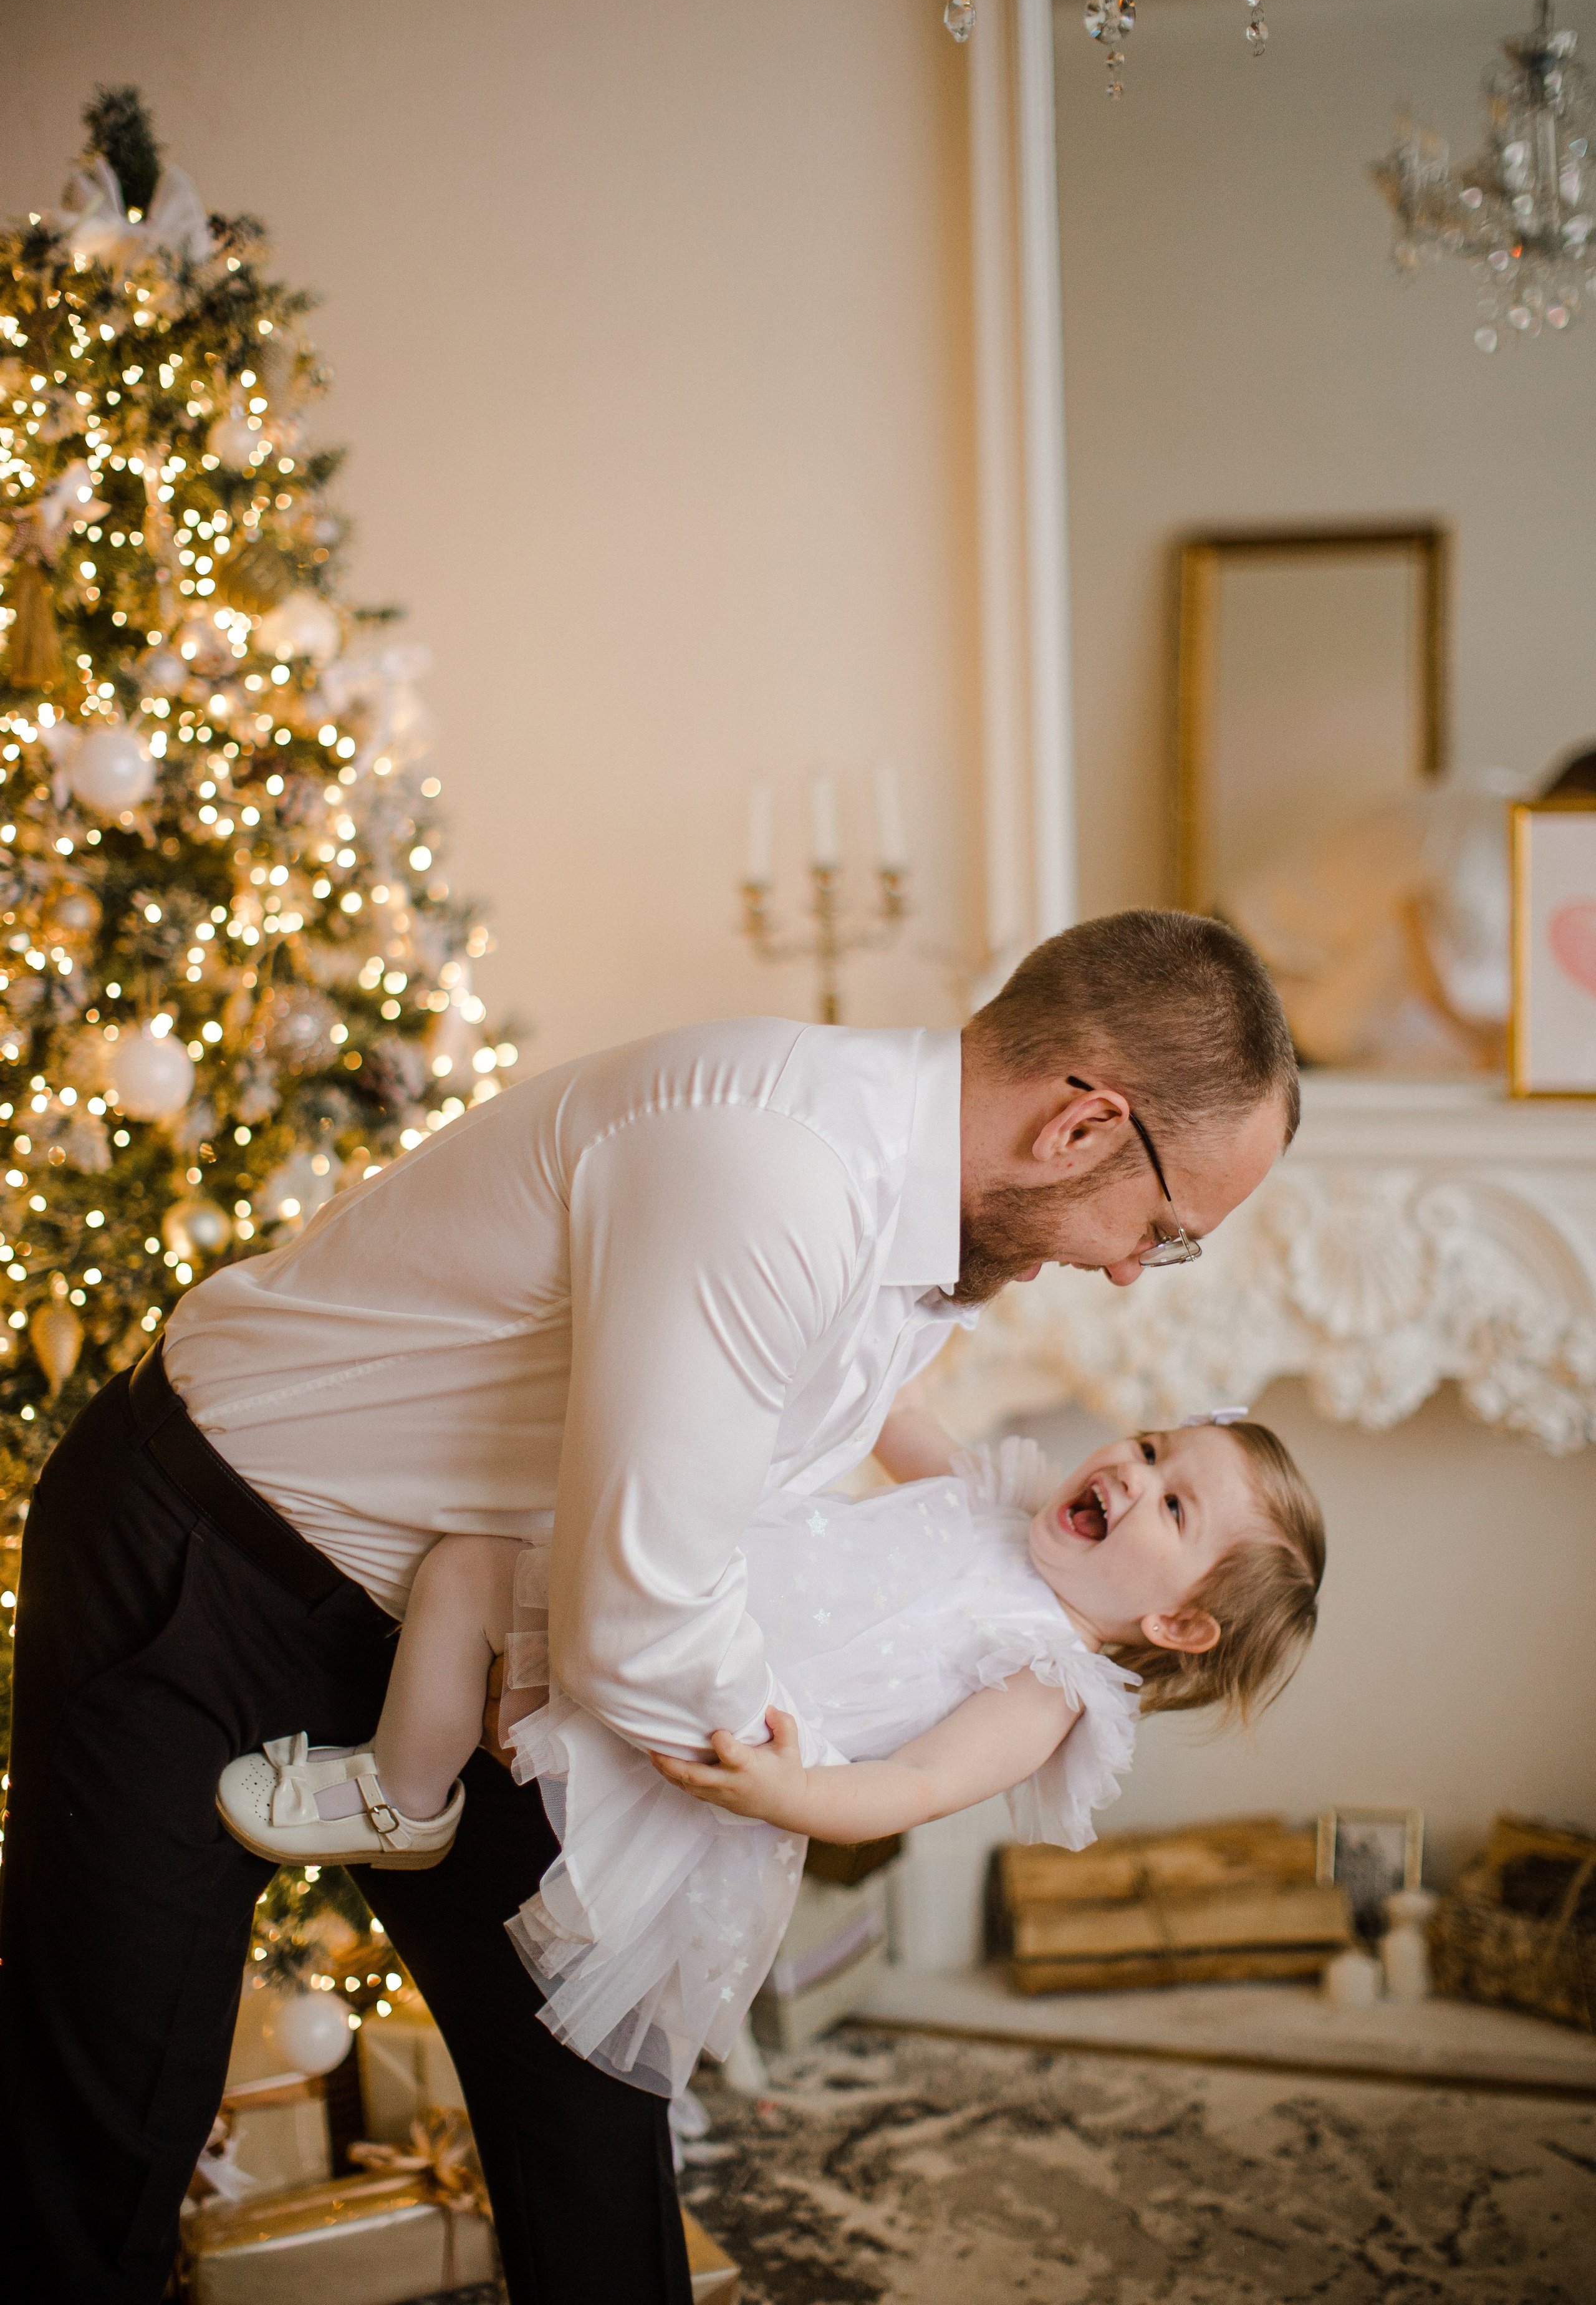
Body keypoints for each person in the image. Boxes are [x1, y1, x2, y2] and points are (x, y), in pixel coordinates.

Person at [1, 908, 1299, 2304]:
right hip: (208, 1562)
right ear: (1080, 1128)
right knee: (105, 2134)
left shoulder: (919, 1227)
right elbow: (647, 1622)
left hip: (487, 1624)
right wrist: (805, 1773)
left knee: (588, 2125)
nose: (1123, 1269)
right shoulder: (775, 1172)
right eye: (1158, 1233)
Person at [216, 1406, 1324, 2097]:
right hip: (685, 1603)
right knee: (469, 1565)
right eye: (1149, 1445)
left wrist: (785, 1790)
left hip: (726, 1739)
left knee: (492, 1619)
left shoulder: (1049, 1681)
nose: (1132, 1473)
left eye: (1173, 1505)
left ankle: (403, 1799)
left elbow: (915, 1787)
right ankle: (419, 1773)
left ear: (1179, 1625)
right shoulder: (1004, 1497)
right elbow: (888, 1402)